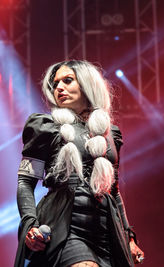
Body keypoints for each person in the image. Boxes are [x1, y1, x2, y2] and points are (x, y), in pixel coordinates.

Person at [14, 60, 144, 267]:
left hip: (106, 229)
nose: (59, 88)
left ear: (87, 85)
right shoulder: (46, 127)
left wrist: (128, 236)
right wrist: (30, 223)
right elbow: (25, 182)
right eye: (55, 84)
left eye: (67, 81)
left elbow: (114, 190)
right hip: (66, 225)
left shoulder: (111, 134)